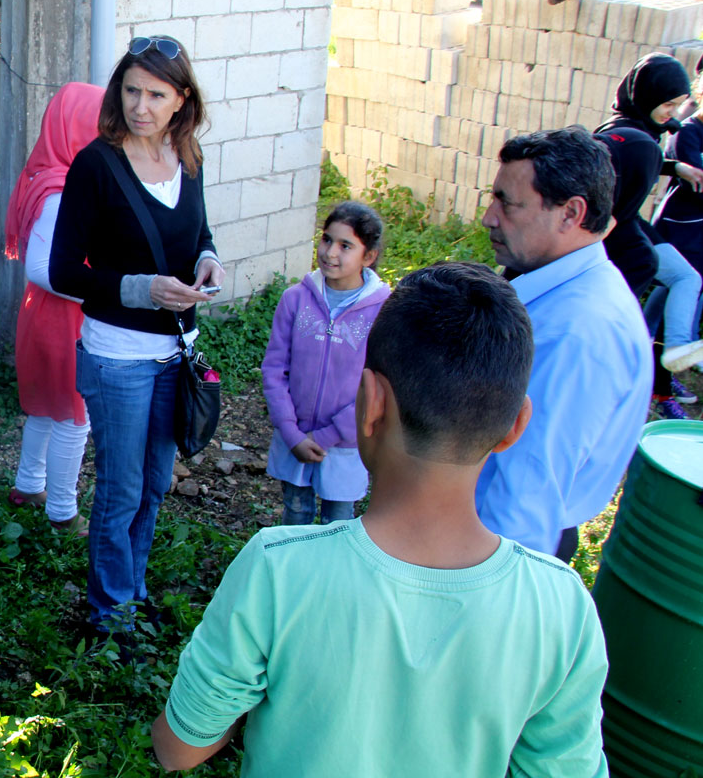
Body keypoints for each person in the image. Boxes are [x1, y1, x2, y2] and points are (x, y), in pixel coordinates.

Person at [152, 262, 609, 778]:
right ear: (515, 426)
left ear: (370, 403)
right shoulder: (563, 607)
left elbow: (179, 749)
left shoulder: (277, 569)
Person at [48, 35, 225, 635]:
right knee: (120, 489)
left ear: (181, 101)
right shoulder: (97, 165)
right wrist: (142, 290)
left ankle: (133, 588)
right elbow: (63, 270)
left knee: (153, 482)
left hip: (174, 353)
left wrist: (208, 260)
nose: (140, 106)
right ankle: (109, 613)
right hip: (118, 356)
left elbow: (199, 232)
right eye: (130, 90)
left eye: (155, 94)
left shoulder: (187, 157)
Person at [479, 127, 650, 561]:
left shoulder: (577, 334)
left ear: (570, 213)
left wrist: (477, 599)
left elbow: (525, 492)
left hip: (497, 547)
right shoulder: (559, 297)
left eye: (508, 203)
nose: (489, 217)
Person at [5, 82, 103, 535]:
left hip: (45, 316)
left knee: (46, 411)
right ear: (76, 130)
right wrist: (104, 291)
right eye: (99, 127)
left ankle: (28, 486)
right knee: (72, 419)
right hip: (62, 320)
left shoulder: (45, 174)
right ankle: (62, 513)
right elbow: (42, 268)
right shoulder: (60, 190)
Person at [263, 201, 390, 526]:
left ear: (369, 256)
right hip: (295, 437)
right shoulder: (295, 299)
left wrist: (328, 436)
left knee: (338, 522)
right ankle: (295, 576)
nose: (331, 252)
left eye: (345, 245)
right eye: (327, 240)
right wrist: (291, 433)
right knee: (295, 513)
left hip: (347, 442)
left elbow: (379, 383)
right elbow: (275, 370)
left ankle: (330, 579)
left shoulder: (382, 312)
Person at [591, 53, 703, 418]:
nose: (672, 112)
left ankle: (668, 359)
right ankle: (645, 365)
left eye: (676, 104)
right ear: (647, 96)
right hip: (616, 230)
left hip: (627, 225)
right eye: (666, 104)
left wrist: (675, 167)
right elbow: (603, 188)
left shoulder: (639, 131)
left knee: (679, 282)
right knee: (654, 284)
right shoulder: (631, 139)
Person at [650, 64, 703, 391]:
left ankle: (660, 374)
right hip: (679, 229)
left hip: (698, 231)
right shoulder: (687, 130)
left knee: (668, 296)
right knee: (682, 286)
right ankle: (665, 374)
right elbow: (696, 179)